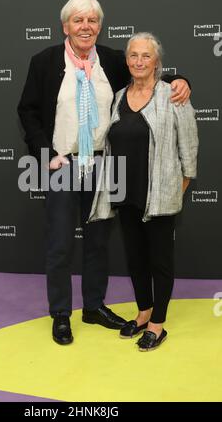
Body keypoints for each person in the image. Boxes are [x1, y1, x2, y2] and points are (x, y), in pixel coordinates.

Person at [17, 0, 191, 345]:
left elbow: (148, 72)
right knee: (61, 243)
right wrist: (45, 153)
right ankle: (61, 314)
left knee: (98, 241)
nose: (86, 26)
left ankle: (94, 307)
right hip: (62, 164)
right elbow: (28, 111)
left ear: (99, 26)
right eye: (78, 20)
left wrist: (181, 80)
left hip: (104, 163)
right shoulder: (44, 62)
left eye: (93, 20)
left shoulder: (112, 59)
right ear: (65, 26)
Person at [89, 32, 198, 351]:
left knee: (160, 260)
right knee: (135, 258)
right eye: (133, 55)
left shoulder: (173, 95)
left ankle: (158, 323)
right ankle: (143, 311)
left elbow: (188, 145)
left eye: (146, 56)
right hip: (125, 191)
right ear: (127, 60)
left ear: (156, 61)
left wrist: (181, 185)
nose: (139, 61)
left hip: (160, 194)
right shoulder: (119, 95)